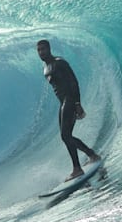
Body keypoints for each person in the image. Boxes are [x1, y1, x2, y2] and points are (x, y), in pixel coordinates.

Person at [36, 39, 100, 180]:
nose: (41, 52)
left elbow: (73, 82)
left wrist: (77, 103)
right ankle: (92, 155)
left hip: (70, 100)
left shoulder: (59, 63)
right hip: (63, 102)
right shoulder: (45, 67)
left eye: (43, 49)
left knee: (66, 136)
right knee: (66, 136)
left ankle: (77, 169)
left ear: (49, 49)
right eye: (39, 50)